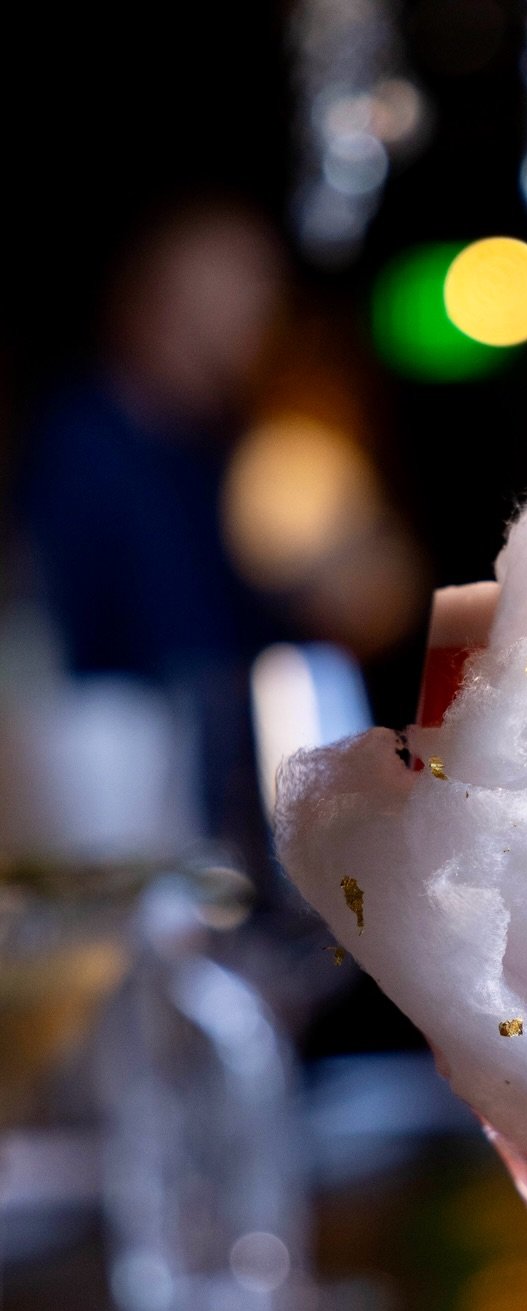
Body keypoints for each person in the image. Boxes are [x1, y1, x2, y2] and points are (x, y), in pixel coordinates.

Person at [19, 197, 289, 842]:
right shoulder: (83, 437)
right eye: (241, 280)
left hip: (213, 789)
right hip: (111, 798)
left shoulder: (222, 453)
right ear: (164, 296)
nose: (262, 306)